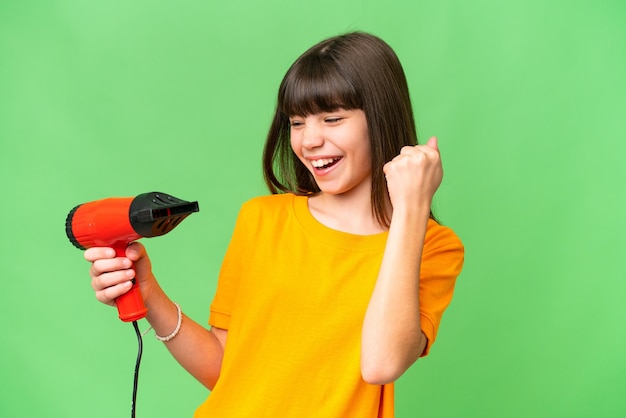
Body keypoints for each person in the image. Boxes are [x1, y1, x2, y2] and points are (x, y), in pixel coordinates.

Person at [85, 31, 464, 417]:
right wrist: (148, 295)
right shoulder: (261, 220)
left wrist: (411, 208)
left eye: (332, 118)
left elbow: (381, 364)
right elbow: (224, 369)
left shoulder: (433, 247)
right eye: (297, 122)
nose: (309, 140)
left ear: (381, 118)